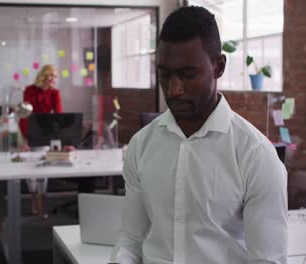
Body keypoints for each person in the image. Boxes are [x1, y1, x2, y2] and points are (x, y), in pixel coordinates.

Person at [110, 6, 287, 264]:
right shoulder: (141, 145)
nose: (174, 89)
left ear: (219, 66)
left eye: (188, 75)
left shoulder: (255, 155)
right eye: (165, 74)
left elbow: (268, 260)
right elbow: (131, 240)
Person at [19, 64, 62, 219]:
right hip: (28, 129)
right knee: (30, 170)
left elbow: (58, 116)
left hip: (45, 132)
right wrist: (25, 139)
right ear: (43, 75)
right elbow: (25, 116)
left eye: (55, 76)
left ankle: (41, 202)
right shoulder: (29, 90)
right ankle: (34, 201)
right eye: (50, 75)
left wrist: (59, 139)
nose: (52, 79)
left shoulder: (55, 93)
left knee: (44, 168)